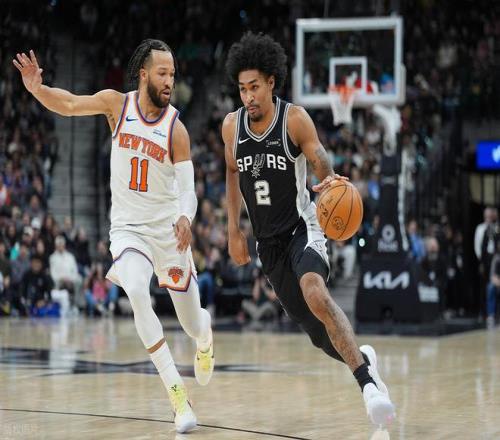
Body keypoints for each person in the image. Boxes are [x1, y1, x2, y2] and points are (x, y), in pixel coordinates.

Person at [14, 39, 214, 433]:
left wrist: (186, 217)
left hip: (167, 234)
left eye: (173, 74)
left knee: (192, 323)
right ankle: (177, 395)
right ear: (143, 74)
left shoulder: (176, 129)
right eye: (162, 73)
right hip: (128, 230)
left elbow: (188, 190)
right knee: (136, 290)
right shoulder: (116, 105)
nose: (169, 80)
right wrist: (38, 89)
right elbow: (70, 104)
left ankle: (205, 338)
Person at [223, 32, 395, 427]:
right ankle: (364, 360)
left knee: (315, 292)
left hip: (303, 227)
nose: (248, 96)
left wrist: (329, 180)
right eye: (242, 88)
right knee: (319, 335)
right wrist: (233, 229)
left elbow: (319, 158)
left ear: (271, 82)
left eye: (255, 87)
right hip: (267, 245)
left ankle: (369, 388)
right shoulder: (231, 127)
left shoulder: (294, 119)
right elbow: (232, 172)